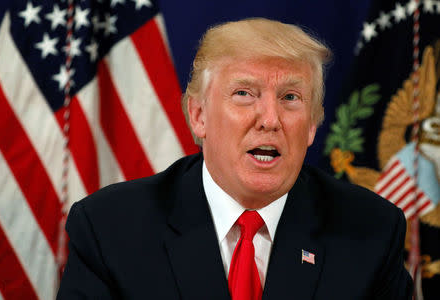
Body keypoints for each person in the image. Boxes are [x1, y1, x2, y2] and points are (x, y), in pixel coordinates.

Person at [57, 18, 412, 299]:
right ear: (198, 116)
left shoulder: (372, 232)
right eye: (244, 93)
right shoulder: (110, 229)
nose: (270, 119)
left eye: (290, 97)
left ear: (312, 127)